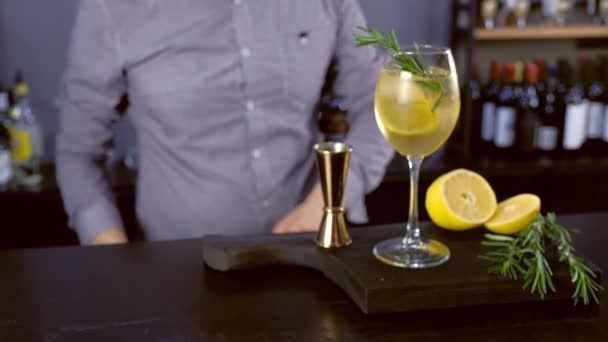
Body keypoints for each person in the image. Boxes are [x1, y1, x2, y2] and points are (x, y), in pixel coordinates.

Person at [56, 0, 394, 245]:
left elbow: (383, 103)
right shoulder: (111, 10)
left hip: (313, 250)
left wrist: (326, 201)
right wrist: (108, 246)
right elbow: (77, 153)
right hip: (180, 268)